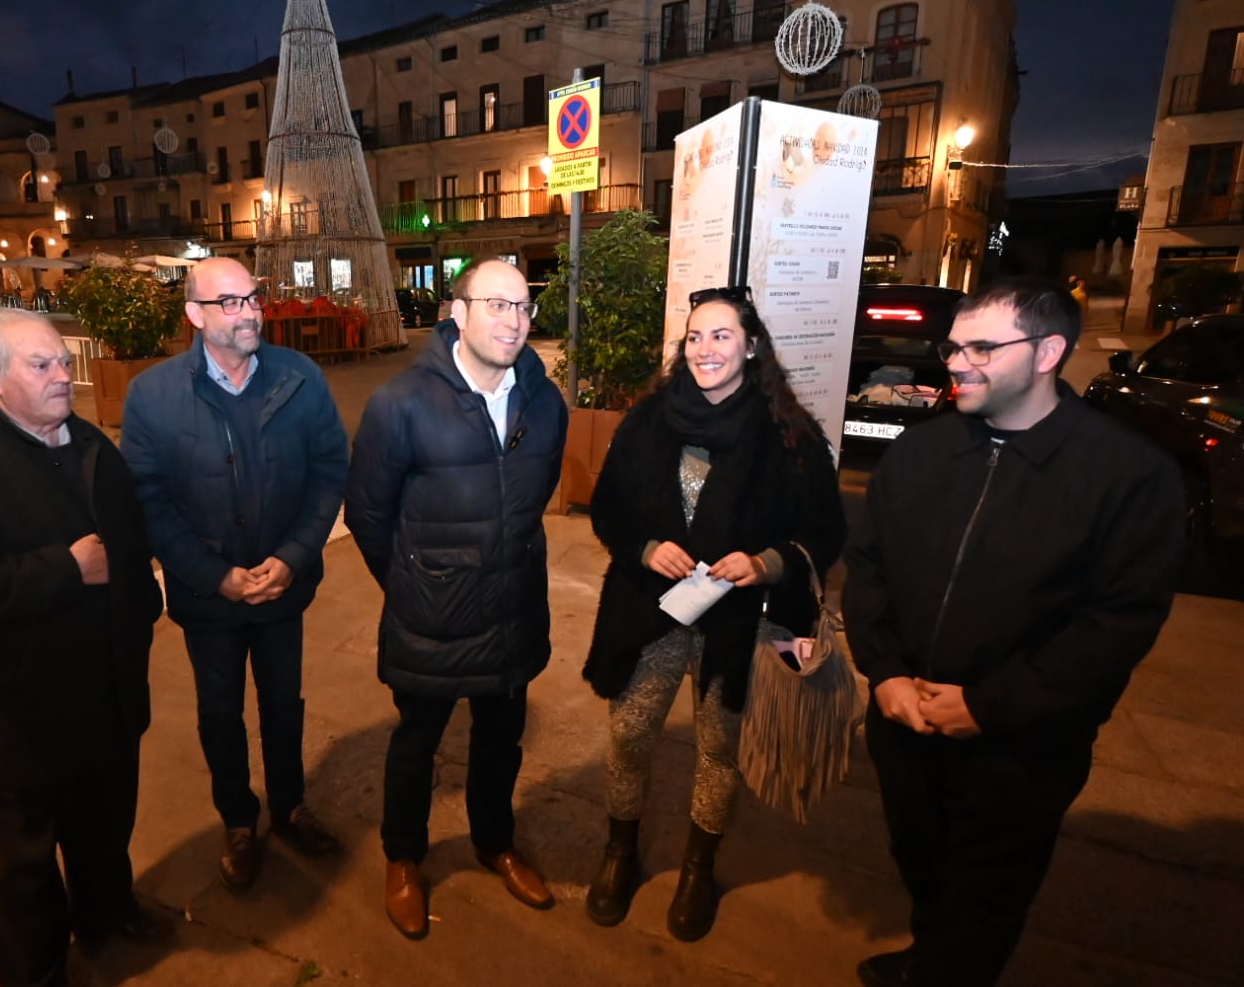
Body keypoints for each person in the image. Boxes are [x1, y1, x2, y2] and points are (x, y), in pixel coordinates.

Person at [843, 278, 1184, 987]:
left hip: (1019, 749)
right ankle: (929, 958)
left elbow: (1116, 623)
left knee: (984, 898)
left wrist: (990, 707)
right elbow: (869, 568)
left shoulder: (1127, 476)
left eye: (980, 347)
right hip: (903, 724)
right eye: (953, 346)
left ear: (1047, 352)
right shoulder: (919, 454)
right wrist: (885, 673)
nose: (956, 363)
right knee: (924, 868)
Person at [0, 309, 173, 987]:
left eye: (62, 361)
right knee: (24, 860)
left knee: (104, 824)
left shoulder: (89, 445)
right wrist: (65, 569)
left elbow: (130, 549)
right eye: (40, 365)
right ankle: (37, 971)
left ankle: (106, 913)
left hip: (107, 692)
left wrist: (142, 610)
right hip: (20, 711)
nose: (63, 376)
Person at [581, 286, 845, 941]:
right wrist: (644, 547)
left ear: (751, 346)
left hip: (739, 620)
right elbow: (609, 506)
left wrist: (767, 562)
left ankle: (699, 868)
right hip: (650, 607)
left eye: (720, 336)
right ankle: (619, 851)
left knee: (718, 747)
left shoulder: (790, 436)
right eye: (694, 337)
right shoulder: (646, 422)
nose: (704, 349)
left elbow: (826, 530)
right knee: (629, 734)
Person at [345, 258, 568, 940]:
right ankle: (403, 859)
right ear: (456, 313)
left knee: (501, 741)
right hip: (432, 617)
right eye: (496, 304)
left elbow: (533, 502)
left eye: (523, 306)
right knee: (417, 743)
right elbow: (368, 516)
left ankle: (493, 842)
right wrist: (416, 581)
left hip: (512, 609)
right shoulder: (400, 403)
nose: (513, 319)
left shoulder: (545, 401)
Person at [120, 256, 348, 891]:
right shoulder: (154, 396)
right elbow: (148, 502)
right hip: (208, 598)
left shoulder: (299, 377)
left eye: (253, 298)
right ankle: (239, 821)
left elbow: (331, 471)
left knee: (284, 705)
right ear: (194, 315)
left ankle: (290, 806)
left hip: (283, 587)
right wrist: (212, 574)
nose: (251, 312)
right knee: (219, 712)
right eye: (231, 303)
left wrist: (294, 556)